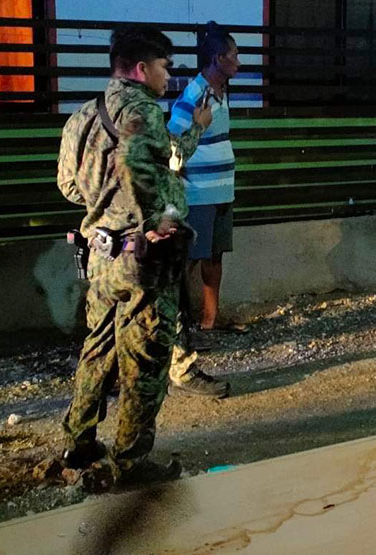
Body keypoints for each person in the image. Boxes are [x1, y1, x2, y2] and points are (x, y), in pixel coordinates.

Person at [55, 27, 216, 490]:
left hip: (101, 256)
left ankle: (78, 440)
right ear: (143, 69)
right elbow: (140, 164)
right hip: (142, 257)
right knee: (145, 362)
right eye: (165, 67)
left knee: (97, 350)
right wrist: (151, 217)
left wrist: (105, 204)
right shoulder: (142, 109)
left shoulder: (83, 116)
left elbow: (68, 185)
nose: (169, 76)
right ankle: (128, 462)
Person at [167, 22, 243, 374]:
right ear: (217, 59)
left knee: (214, 255)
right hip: (198, 194)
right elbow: (172, 144)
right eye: (234, 55)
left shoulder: (221, 91)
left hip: (221, 189)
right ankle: (177, 331)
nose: (238, 62)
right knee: (190, 260)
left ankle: (210, 322)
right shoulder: (194, 94)